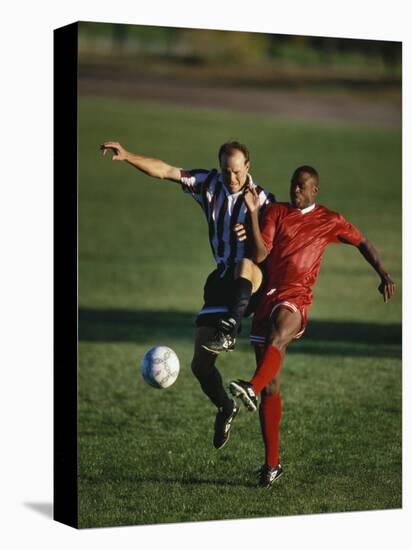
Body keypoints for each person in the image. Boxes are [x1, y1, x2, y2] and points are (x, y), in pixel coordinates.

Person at [227, 165, 395, 488]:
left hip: (297, 298)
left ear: (314, 190)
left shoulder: (329, 220)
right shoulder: (276, 212)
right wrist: (251, 212)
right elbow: (261, 253)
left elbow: (362, 241)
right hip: (269, 298)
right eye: (293, 184)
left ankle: (251, 387)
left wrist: (383, 273)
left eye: (302, 186)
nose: (296, 190)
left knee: (278, 336)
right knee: (272, 385)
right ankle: (272, 465)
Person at [100, 140, 275, 449]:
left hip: (255, 279)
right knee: (200, 366)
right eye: (225, 171)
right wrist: (128, 156)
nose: (231, 178)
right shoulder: (209, 183)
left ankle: (231, 330)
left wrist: (252, 225)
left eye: (236, 171)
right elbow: (166, 170)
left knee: (245, 263)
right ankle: (225, 406)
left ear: (248, 167)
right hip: (223, 279)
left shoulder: (263, 200)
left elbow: (265, 253)